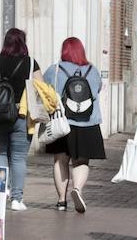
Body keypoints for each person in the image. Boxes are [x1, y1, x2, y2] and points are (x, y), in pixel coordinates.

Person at [0, 27, 44, 211]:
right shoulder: (31, 63)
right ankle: (17, 199)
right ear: (23, 43)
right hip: (21, 115)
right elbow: (40, 89)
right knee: (18, 158)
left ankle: (1, 195)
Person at [44, 36, 106, 214]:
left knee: (60, 160)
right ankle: (77, 189)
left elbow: (45, 91)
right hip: (88, 123)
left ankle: (61, 200)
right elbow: (97, 90)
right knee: (82, 160)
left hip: (62, 122)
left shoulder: (54, 70)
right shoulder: (92, 70)